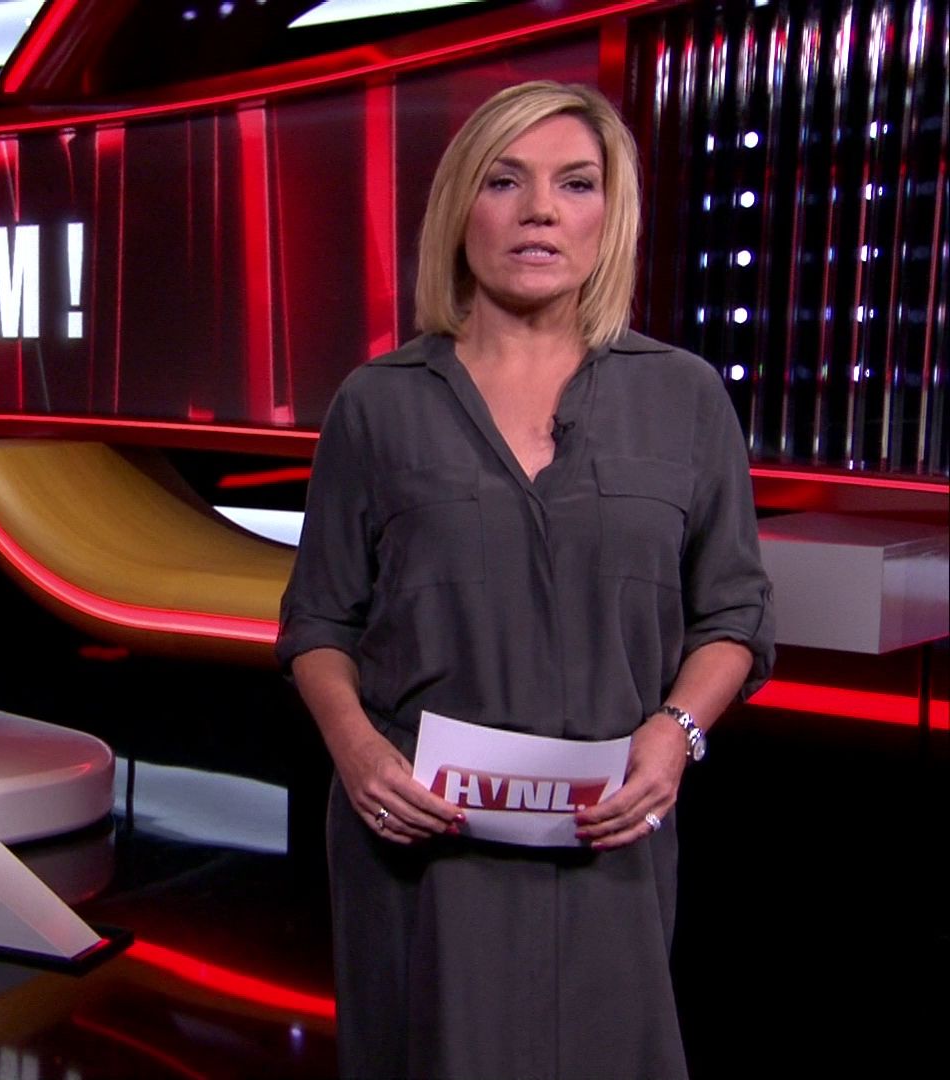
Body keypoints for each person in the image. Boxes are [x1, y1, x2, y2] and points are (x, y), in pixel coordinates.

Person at [277, 81, 774, 1079]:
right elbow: (318, 623)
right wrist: (358, 752)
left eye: (575, 184)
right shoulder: (377, 405)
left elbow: (735, 616)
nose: (540, 210)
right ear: (462, 208)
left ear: (609, 215)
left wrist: (674, 736)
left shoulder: (683, 396)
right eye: (505, 181)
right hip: (421, 853)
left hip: (611, 843)